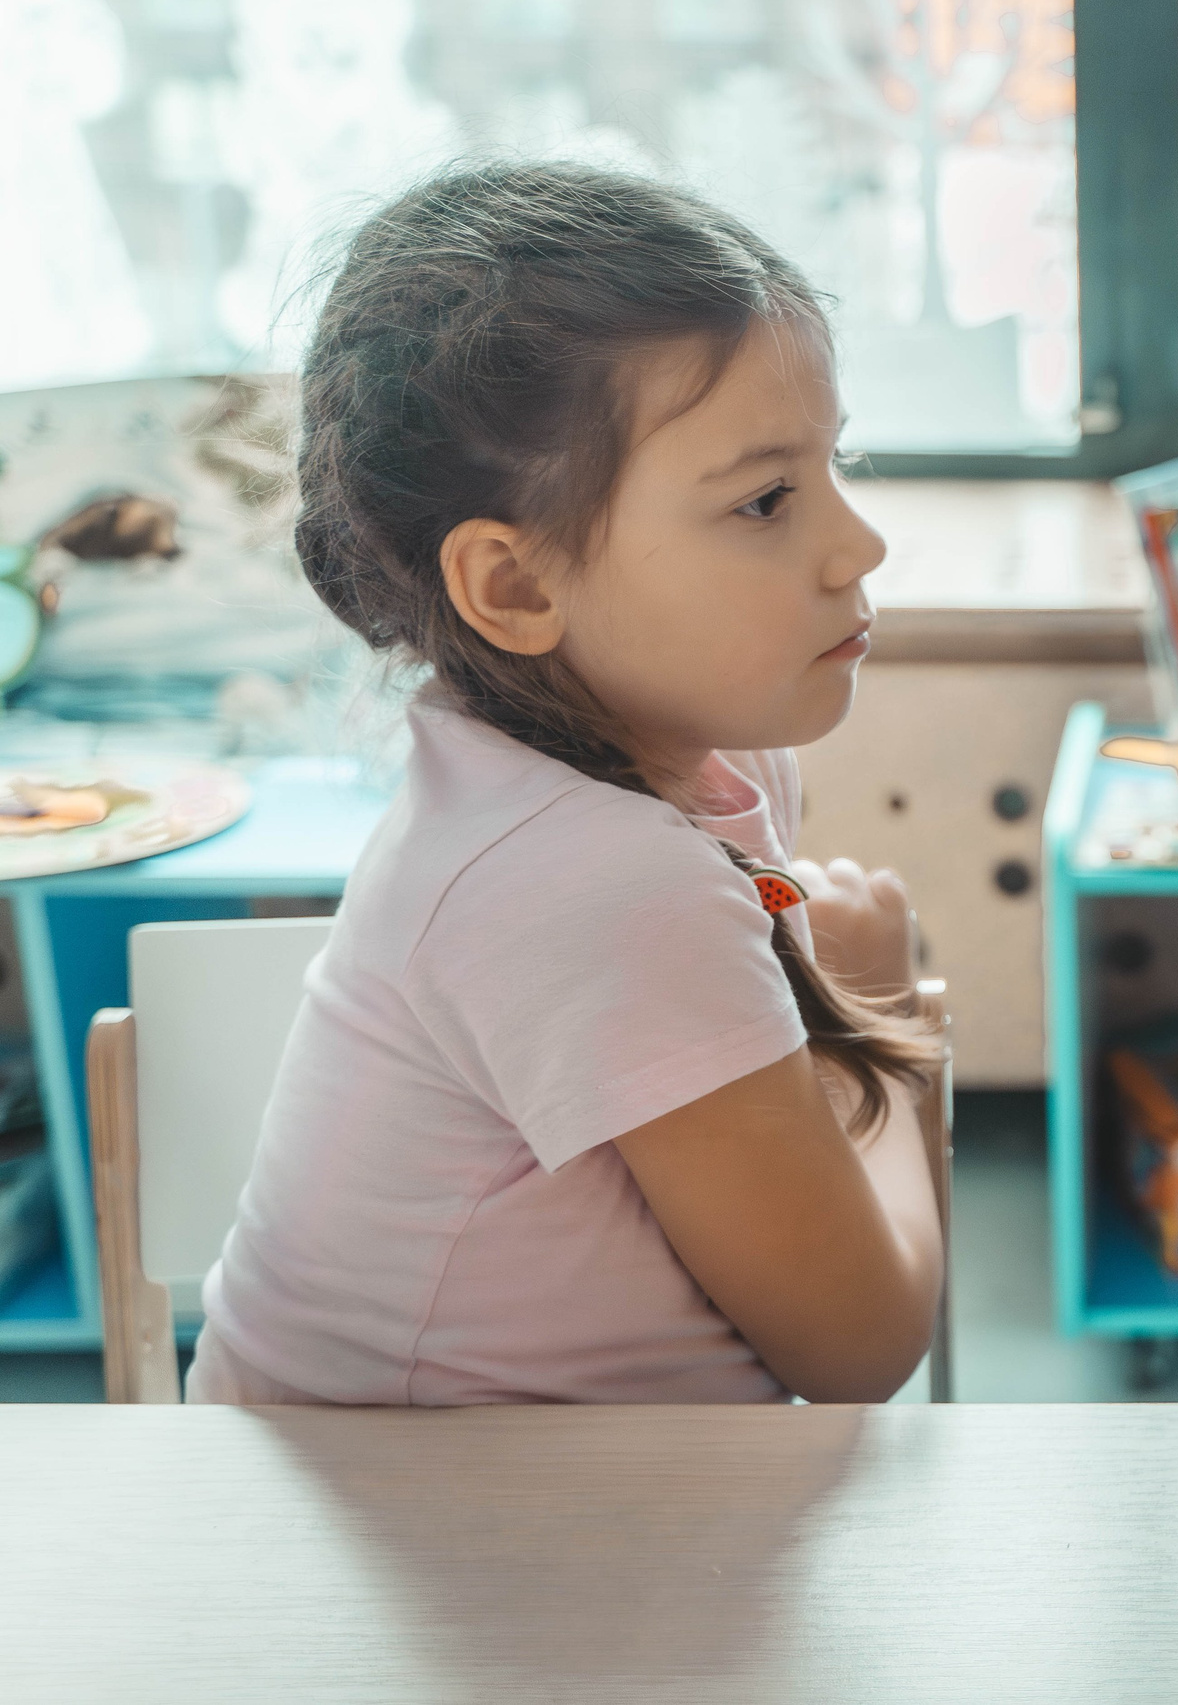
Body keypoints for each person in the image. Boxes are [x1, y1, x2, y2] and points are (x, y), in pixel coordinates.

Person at [188, 162, 944, 1405]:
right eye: (764, 500)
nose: (857, 544)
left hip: (551, 1521)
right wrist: (875, 1031)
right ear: (517, 587)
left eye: (830, 465)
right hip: (407, 1558)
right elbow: (861, 1347)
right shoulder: (594, 879)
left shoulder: (673, 755)